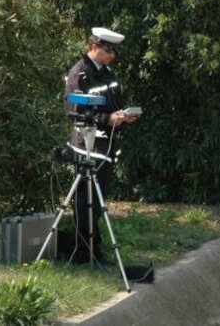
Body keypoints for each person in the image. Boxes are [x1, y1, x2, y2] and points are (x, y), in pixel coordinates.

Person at [64, 27, 138, 264]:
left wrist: (123, 117)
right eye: (108, 50)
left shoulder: (106, 73)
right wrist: (108, 119)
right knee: (85, 200)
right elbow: (75, 112)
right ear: (93, 46)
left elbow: (113, 103)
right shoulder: (80, 74)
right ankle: (83, 252)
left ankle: (94, 249)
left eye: (114, 51)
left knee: (98, 201)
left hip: (105, 147)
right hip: (87, 146)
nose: (112, 56)